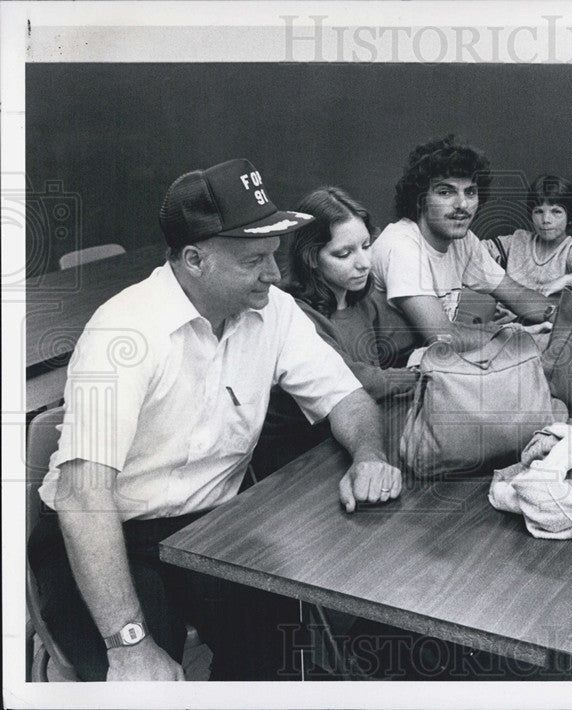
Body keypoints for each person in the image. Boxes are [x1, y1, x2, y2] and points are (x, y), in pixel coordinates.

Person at [27, 159, 403, 681]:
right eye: (254, 260)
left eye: (273, 256)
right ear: (194, 259)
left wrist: (369, 455)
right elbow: (83, 497)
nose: (274, 275)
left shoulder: (273, 309)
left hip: (208, 527)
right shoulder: (123, 333)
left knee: (276, 655)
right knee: (145, 681)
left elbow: (347, 397)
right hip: (103, 531)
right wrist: (129, 644)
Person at [253, 186, 418, 477]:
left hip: (349, 441)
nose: (364, 263)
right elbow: (357, 380)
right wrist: (419, 374)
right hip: (298, 464)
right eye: (344, 254)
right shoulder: (295, 312)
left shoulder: (362, 300)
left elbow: (405, 340)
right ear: (312, 258)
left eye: (366, 246)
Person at [370, 134, 556, 353]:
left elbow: (517, 296)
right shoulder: (401, 245)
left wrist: (563, 317)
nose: (462, 204)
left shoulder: (464, 242)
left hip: (427, 361)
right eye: (446, 192)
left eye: (470, 192)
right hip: (388, 370)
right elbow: (442, 336)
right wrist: (519, 339)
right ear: (420, 199)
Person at [487, 174, 572, 296]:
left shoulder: (571, 249)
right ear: (530, 215)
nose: (546, 219)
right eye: (538, 212)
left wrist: (564, 280)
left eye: (556, 212)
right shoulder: (518, 240)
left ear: (569, 216)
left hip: (544, 317)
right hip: (504, 315)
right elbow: (475, 250)